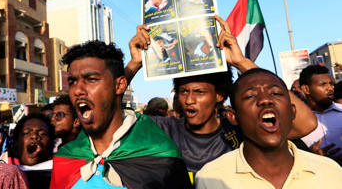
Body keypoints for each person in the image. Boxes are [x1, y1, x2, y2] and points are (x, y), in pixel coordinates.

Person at [127, 14, 318, 183]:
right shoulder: (164, 130)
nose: (189, 100)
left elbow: (306, 124)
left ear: (219, 95)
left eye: (200, 92)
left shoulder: (241, 130)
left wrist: (240, 62)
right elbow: (107, 117)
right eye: (184, 92)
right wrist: (134, 64)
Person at [50, 40, 191, 188]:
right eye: (72, 82)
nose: (78, 90)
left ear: (120, 85)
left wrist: (135, 64)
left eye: (91, 79)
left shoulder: (160, 156)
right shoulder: (65, 158)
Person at [195, 68, 342, 189]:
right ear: (233, 117)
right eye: (251, 96)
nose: (266, 100)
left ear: (292, 111)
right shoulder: (210, 179)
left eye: (276, 93)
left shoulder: (332, 172)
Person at [299, 65, 342, 163]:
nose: (330, 88)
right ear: (306, 89)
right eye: (323, 84)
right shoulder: (295, 119)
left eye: (331, 84)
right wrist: (313, 158)